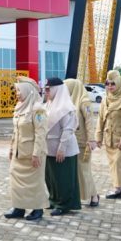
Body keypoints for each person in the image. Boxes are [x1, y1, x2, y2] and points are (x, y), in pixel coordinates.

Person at [6, 77, 48, 220]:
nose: (17, 93)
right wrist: (11, 148)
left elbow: (41, 133)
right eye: (16, 90)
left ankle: (38, 209)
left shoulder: (38, 109)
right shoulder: (19, 107)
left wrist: (36, 154)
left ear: (28, 91)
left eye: (19, 90)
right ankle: (19, 208)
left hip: (32, 154)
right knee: (15, 180)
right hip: (19, 152)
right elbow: (15, 130)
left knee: (35, 183)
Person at [42, 78, 81, 215]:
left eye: (48, 89)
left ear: (57, 89)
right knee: (52, 177)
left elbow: (68, 129)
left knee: (63, 177)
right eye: (45, 89)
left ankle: (64, 205)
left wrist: (62, 148)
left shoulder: (67, 107)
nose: (46, 92)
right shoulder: (47, 105)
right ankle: (53, 200)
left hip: (63, 149)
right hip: (49, 148)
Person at [97, 70, 121, 201]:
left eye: (113, 83)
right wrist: (98, 137)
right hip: (109, 139)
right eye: (107, 83)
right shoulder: (105, 100)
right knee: (113, 164)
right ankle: (117, 189)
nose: (110, 86)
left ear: (119, 84)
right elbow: (100, 119)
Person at [65, 79, 99, 207]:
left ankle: (93, 195)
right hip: (71, 141)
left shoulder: (84, 102)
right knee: (76, 171)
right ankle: (82, 195)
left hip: (82, 142)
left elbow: (90, 122)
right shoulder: (69, 101)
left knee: (84, 170)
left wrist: (91, 139)